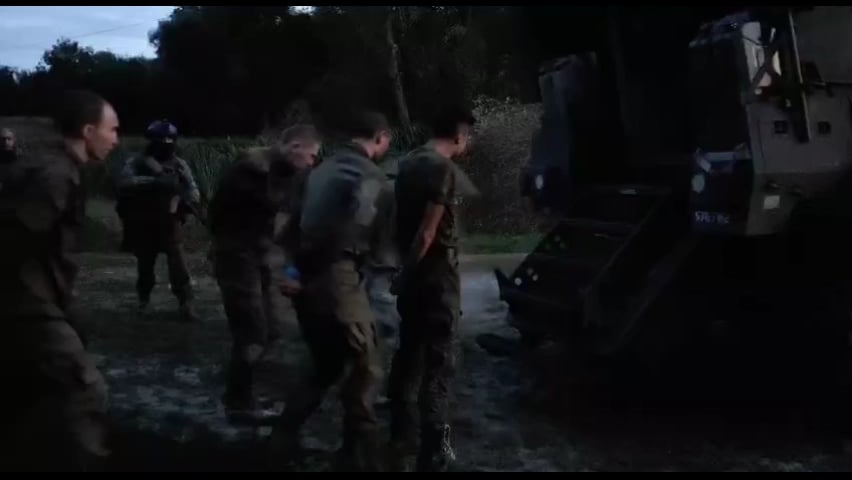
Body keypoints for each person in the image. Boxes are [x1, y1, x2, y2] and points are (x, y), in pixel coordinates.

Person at [0, 89, 119, 470]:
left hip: (38, 294)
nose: (117, 138)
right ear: (88, 131)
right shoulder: (55, 174)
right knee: (85, 389)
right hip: (25, 300)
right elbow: (14, 241)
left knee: (23, 392)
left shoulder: (55, 166)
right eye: (112, 130)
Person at [269, 110, 392, 471]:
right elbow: (350, 234)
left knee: (324, 366)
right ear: (381, 137)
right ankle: (363, 458)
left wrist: (294, 270)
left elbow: (287, 228)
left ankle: (280, 441)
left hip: (306, 283)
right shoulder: (370, 176)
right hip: (335, 281)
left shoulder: (316, 171)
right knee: (366, 369)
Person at [207, 124, 321, 422]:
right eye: (310, 156)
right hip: (236, 253)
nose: (312, 163)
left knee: (270, 329)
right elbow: (226, 211)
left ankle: (241, 384)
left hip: (257, 252)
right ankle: (238, 402)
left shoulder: (284, 171)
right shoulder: (252, 168)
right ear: (294, 147)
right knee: (252, 333)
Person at [387, 106, 477, 472]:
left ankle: (399, 428)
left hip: (413, 275)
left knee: (409, 349)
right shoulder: (443, 169)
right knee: (440, 359)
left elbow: (399, 222)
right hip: (436, 274)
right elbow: (427, 233)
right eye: (469, 137)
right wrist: (406, 273)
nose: (468, 144)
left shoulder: (408, 162)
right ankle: (434, 444)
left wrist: (402, 273)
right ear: (459, 135)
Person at [115, 120, 201, 322]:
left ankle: (186, 303)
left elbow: (192, 189)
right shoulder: (137, 162)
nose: (166, 145)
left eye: (170, 141)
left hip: (169, 221)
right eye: (162, 141)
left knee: (178, 264)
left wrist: (188, 199)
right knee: (145, 265)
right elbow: (124, 182)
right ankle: (143, 302)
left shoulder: (179, 164)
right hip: (143, 221)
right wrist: (153, 182)